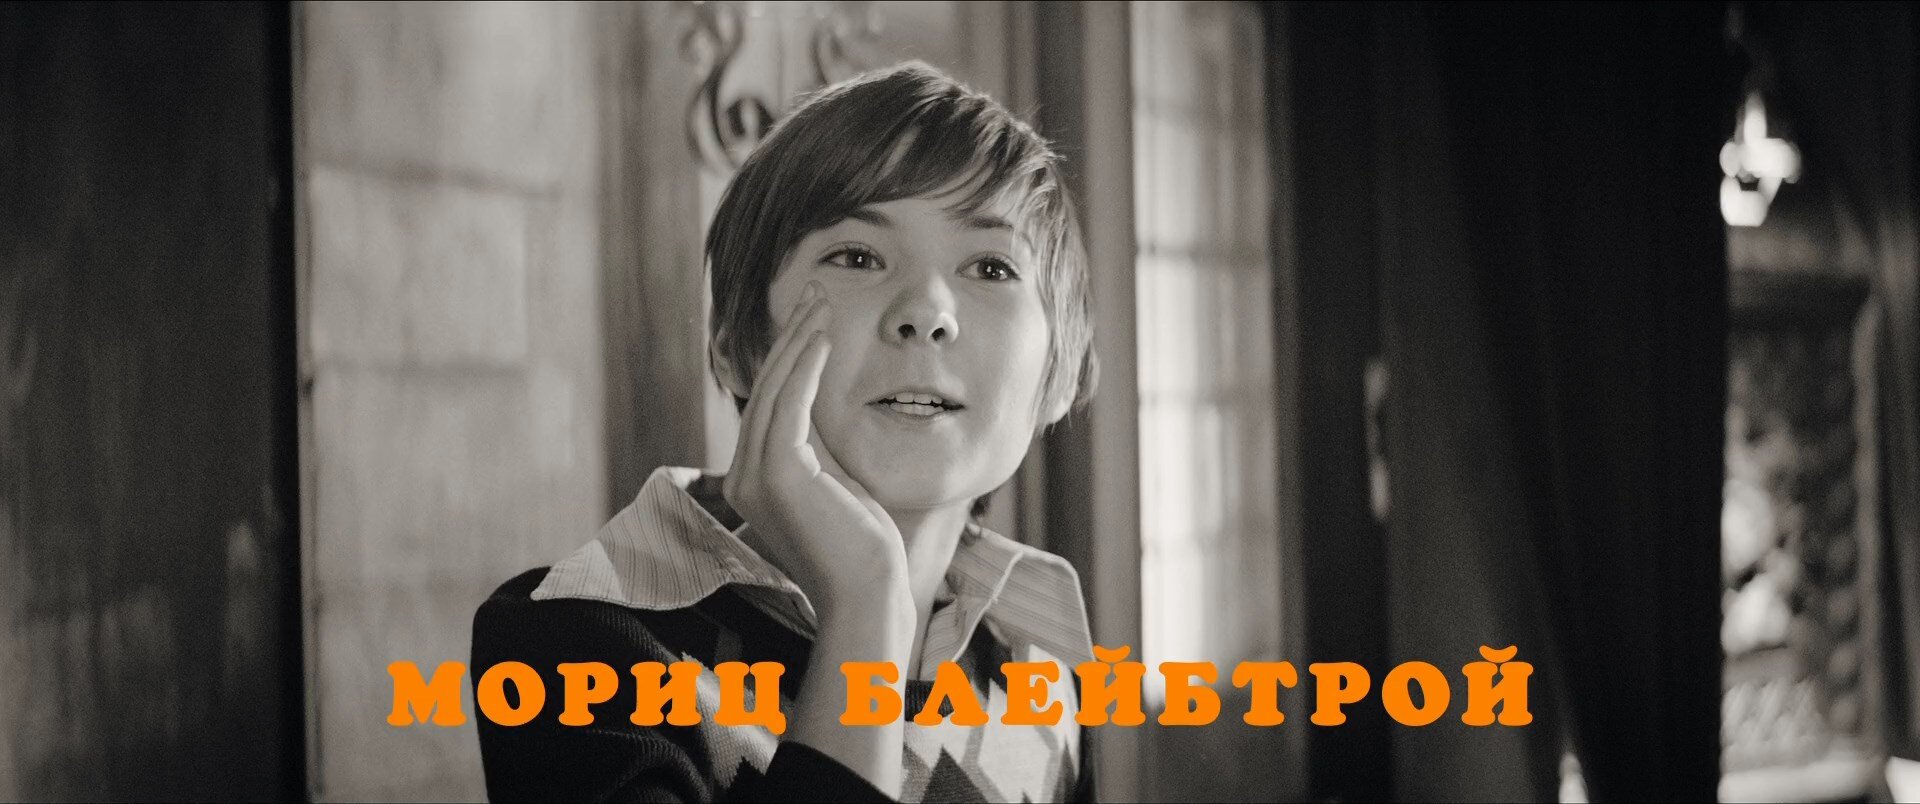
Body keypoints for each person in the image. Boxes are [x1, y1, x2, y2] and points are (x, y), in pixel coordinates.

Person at [472, 61, 1099, 803]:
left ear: (1059, 371)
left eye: (991, 268)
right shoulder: (574, 638)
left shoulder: (1041, 659)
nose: (928, 310)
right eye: (857, 256)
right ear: (737, 344)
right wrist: (863, 607)